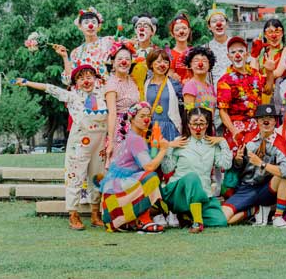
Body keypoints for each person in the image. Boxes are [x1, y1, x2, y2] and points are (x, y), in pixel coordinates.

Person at [14, 65, 107, 230]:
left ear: (95, 79)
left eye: (89, 76)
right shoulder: (71, 97)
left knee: (97, 178)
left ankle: (95, 214)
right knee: (75, 177)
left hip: (99, 145)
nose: (86, 81)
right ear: (76, 82)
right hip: (79, 144)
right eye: (81, 78)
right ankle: (73, 214)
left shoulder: (104, 95)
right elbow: (49, 88)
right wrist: (27, 82)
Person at [100, 102, 171, 233]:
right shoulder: (136, 139)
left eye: (149, 116)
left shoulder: (132, 137)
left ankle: (134, 219)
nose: (146, 119)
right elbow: (149, 167)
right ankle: (144, 220)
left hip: (114, 193)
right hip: (117, 191)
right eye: (142, 116)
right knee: (151, 178)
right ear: (131, 118)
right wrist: (163, 150)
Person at [160, 108, 232, 233]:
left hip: (202, 194)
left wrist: (223, 142)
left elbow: (225, 165)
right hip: (178, 193)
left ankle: (187, 215)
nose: (198, 128)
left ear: (207, 125)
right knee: (192, 177)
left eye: (202, 124)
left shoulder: (212, 143)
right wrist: (169, 147)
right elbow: (166, 169)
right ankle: (197, 222)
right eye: (194, 123)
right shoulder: (180, 141)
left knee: (220, 221)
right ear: (188, 125)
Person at [222, 104, 286, 228]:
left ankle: (278, 217)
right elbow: (237, 168)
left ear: (275, 121)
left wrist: (261, 164)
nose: (266, 121)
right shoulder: (248, 138)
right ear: (257, 121)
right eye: (262, 118)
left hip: (267, 189)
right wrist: (238, 160)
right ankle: (253, 210)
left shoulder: (280, 143)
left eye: (270, 118)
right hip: (246, 188)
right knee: (223, 219)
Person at [217, 36, 274, 154]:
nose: (237, 55)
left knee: (257, 164)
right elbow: (223, 111)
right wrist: (234, 131)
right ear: (229, 56)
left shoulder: (255, 74)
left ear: (247, 55)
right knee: (238, 165)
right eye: (233, 52)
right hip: (237, 129)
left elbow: (268, 90)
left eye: (241, 51)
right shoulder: (224, 81)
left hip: (257, 127)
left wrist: (269, 72)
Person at [105, 41, 140, 164]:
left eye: (127, 59)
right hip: (120, 130)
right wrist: (110, 141)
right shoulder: (112, 84)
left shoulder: (132, 80)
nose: (124, 62)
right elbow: (112, 114)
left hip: (136, 129)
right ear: (113, 63)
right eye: (120, 59)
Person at [60, 7, 115, 86]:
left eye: (93, 22)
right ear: (80, 26)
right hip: (86, 95)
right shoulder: (76, 52)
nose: (90, 25)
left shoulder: (109, 41)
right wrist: (65, 57)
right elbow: (67, 80)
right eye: (86, 22)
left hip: (109, 93)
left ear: (99, 26)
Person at [143, 49, 183, 142]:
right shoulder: (145, 84)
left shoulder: (174, 84)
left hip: (170, 128)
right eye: (158, 62)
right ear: (151, 64)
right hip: (150, 128)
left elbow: (183, 105)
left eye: (166, 62)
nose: (162, 65)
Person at [130, 14, 159, 99]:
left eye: (146, 27)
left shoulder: (156, 52)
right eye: (139, 26)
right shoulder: (128, 50)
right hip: (131, 91)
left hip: (151, 91)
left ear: (152, 32)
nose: (141, 29)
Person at [183, 46, 217, 117]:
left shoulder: (211, 87)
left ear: (209, 65)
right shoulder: (190, 85)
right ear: (190, 64)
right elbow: (189, 114)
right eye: (196, 61)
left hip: (209, 126)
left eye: (204, 61)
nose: (200, 64)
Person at [204, 4, 231, 90]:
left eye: (222, 20)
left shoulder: (238, 44)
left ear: (226, 24)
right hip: (214, 96)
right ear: (209, 26)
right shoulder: (205, 49)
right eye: (214, 21)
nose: (218, 24)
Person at [166, 12, 193, 84]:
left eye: (184, 28)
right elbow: (169, 77)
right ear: (172, 33)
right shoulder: (169, 55)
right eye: (177, 29)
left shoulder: (195, 52)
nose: (181, 31)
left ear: (189, 30)